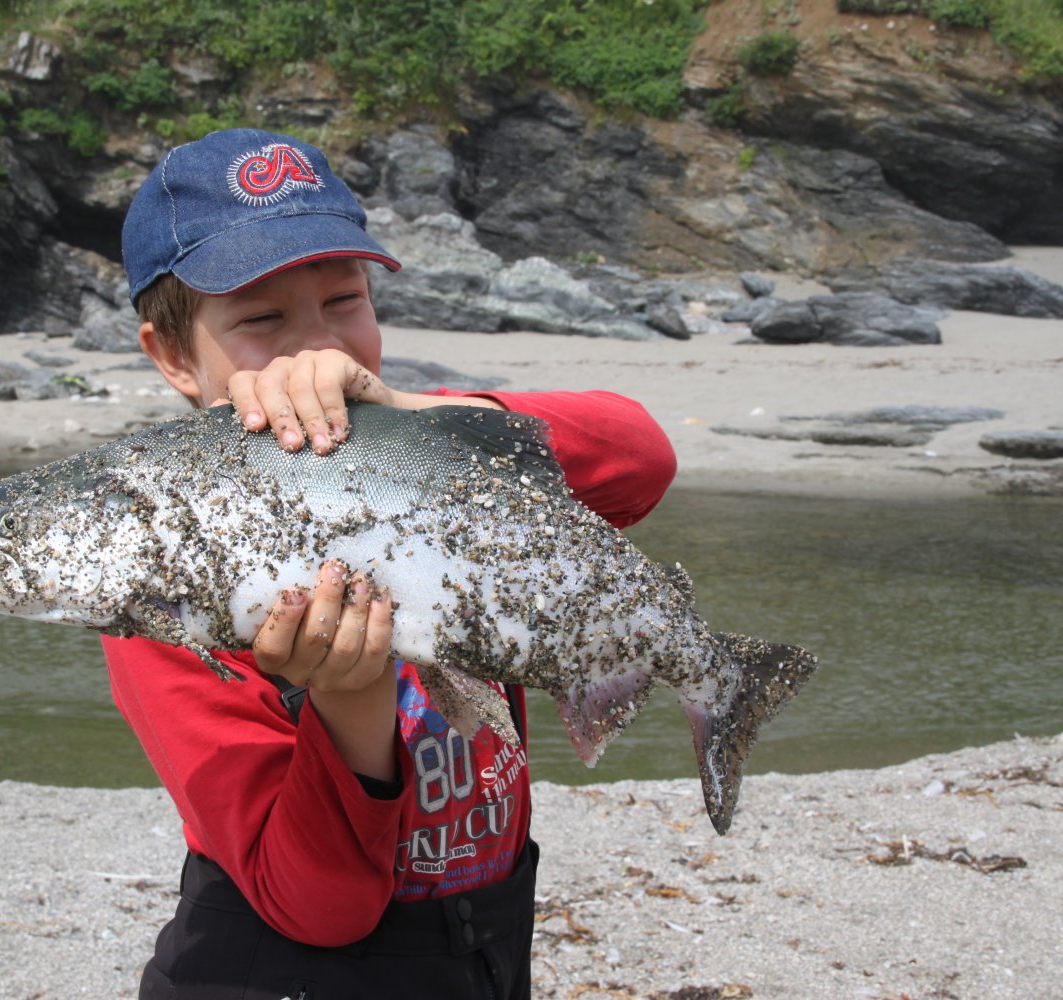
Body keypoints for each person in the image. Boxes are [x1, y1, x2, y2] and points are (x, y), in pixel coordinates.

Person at [104, 127, 676, 999]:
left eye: (344, 300)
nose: (319, 350)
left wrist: (417, 413)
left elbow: (640, 459)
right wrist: (346, 698)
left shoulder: (432, 450)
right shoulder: (166, 583)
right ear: (174, 356)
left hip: (481, 951)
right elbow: (317, 908)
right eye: (262, 319)